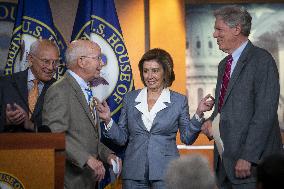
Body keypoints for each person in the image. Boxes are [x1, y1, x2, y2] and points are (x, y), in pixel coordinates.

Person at [96, 48, 214, 189]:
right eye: (146, 71)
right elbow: (122, 138)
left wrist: (199, 113)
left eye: (155, 70)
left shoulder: (179, 101)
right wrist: (108, 120)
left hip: (166, 173)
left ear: (165, 72)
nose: (149, 76)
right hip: (134, 173)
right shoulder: (130, 98)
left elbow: (187, 138)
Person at [201, 5, 283, 189]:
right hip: (224, 164)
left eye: (219, 29)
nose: (214, 35)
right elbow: (224, 108)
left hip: (249, 166)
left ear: (236, 29)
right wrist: (211, 121)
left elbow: (264, 114)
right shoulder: (224, 65)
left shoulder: (262, 61)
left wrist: (248, 156)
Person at [42, 40, 121, 189]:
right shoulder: (60, 90)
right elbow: (55, 135)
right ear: (82, 62)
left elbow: (88, 138)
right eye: (98, 58)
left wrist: (107, 155)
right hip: (69, 181)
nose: (101, 63)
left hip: (88, 181)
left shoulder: (86, 89)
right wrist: (87, 159)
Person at [0, 39, 59, 132]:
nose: (51, 67)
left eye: (55, 62)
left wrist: (32, 126)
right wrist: (6, 121)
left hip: (45, 145)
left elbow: (62, 128)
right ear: (31, 59)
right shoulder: (5, 84)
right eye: (46, 61)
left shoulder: (60, 89)